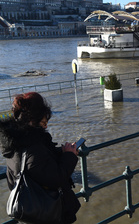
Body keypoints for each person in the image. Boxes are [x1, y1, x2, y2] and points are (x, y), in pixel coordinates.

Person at [0, 92, 81, 223]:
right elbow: (56, 178)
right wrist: (70, 156)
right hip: (47, 214)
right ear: (33, 120)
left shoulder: (15, 144)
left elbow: (36, 167)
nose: (46, 126)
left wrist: (61, 151)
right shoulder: (33, 148)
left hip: (29, 212)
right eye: (43, 122)